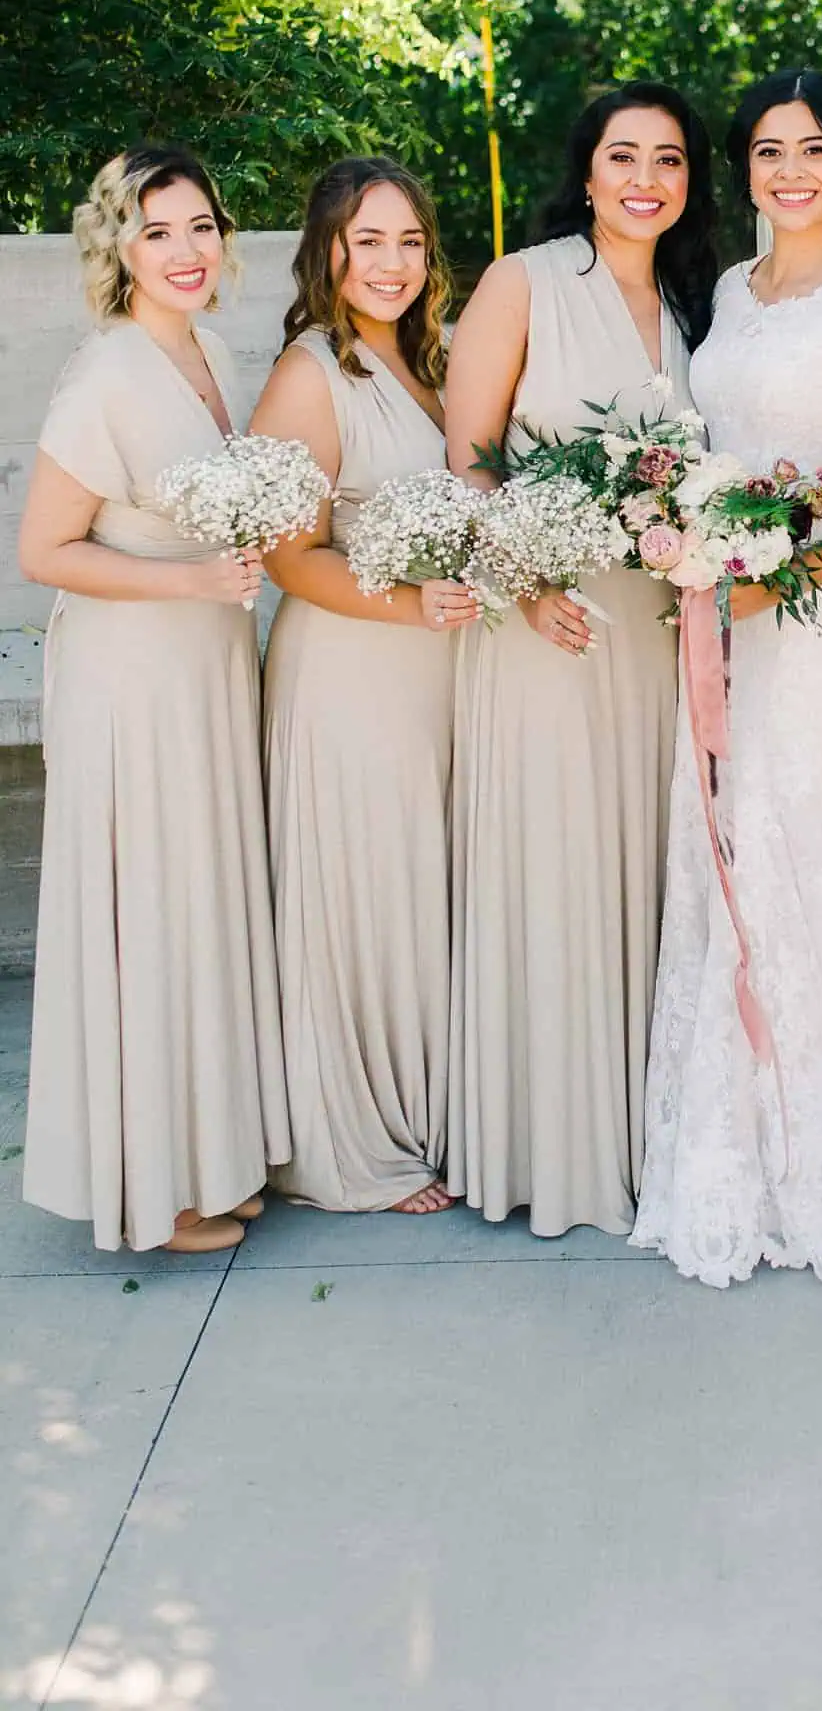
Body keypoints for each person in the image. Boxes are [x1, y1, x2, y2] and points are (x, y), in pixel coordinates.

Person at [632, 68, 822, 1297]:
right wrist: (692, 537)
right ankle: (732, 1119)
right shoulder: (727, 291)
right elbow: (725, 453)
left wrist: (788, 575)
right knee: (727, 844)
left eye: (813, 151)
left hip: (817, 624)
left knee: (803, 841)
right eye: (767, 151)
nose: (790, 172)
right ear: (745, 170)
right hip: (722, 610)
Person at [445, 81, 718, 1236]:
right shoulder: (523, 282)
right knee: (557, 870)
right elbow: (467, 460)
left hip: (659, 635)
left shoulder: (700, 310)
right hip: (544, 628)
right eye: (623, 157)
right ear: (587, 169)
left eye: (666, 159)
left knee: (645, 875)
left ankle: (640, 1137)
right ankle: (548, 1147)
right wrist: (531, 578)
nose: (644, 180)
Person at [19, 146, 288, 1253]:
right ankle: (150, 1189)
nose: (185, 250)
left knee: (199, 906)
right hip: (131, 679)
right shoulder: (107, 375)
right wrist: (188, 579)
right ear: (118, 248)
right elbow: (45, 549)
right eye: (157, 230)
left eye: (200, 227)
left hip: (205, 669)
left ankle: (208, 1154)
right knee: (148, 914)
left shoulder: (210, 352)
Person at [252, 158, 474, 1216]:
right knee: (364, 895)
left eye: (410, 242)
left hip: (434, 670)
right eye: (367, 242)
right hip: (349, 668)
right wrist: (412, 604)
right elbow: (291, 557)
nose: (391, 264)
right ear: (328, 253)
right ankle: (354, 1142)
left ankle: (424, 1108)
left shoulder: (430, 360)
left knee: (420, 891)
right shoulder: (312, 372)